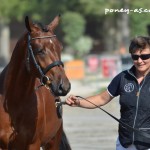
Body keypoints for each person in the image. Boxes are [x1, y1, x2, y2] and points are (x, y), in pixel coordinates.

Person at [65, 36, 150, 150]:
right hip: (125, 143)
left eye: (144, 56)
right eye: (135, 57)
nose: (139, 61)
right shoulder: (122, 77)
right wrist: (79, 102)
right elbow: (101, 99)